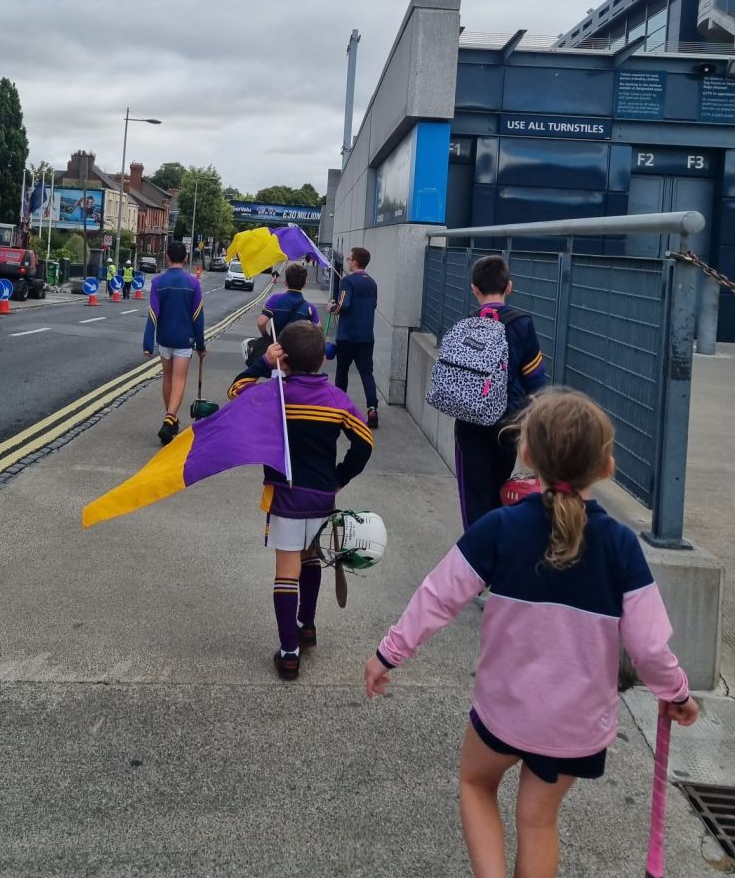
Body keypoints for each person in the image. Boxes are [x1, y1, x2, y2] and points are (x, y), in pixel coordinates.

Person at [364, 389, 698, 878]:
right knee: (538, 822)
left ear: (524, 454)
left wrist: (388, 655)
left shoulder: (499, 529)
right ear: (607, 467)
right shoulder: (622, 547)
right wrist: (678, 693)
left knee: (477, 784)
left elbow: (438, 596)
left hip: (505, 712)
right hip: (577, 728)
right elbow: (648, 647)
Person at [232, 321, 373, 681]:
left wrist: (263, 364)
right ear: (323, 362)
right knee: (311, 560)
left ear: (285, 360)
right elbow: (365, 443)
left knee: (286, 570)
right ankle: (306, 625)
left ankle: (289, 652)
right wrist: (340, 477)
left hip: (286, 496)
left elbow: (236, 391)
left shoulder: (274, 397)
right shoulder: (338, 401)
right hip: (322, 496)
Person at [454, 254, 546, 529]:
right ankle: (499, 550)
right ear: (509, 286)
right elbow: (536, 381)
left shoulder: (466, 324)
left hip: (470, 422)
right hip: (508, 423)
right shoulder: (522, 324)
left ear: (474, 289)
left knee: (474, 496)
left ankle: (476, 554)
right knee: (499, 490)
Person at [143, 240, 206, 444]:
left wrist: (147, 343)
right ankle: (170, 419)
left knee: (167, 378)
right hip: (184, 339)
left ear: (167, 257)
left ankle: (171, 418)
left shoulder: (157, 282)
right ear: (186, 258)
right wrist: (201, 345)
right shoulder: (193, 283)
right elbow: (198, 316)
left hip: (164, 338)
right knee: (179, 379)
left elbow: (153, 313)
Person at [328, 246, 379, 429]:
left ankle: (339, 408)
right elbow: (372, 306)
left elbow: (343, 306)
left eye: (349, 259)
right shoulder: (372, 283)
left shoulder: (347, 282)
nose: (348, 261)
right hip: (366, 336)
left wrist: (332, 308)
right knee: (367, 373)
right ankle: (372, 408)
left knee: (342, 372)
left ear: (356, 262)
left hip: (347, 336)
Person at [245, 264, 319, 371]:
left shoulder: (275, 300)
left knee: (277, 381)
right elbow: (318, 335)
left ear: (285, 282)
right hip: (298, 354)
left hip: (278, 351)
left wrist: (267, 337)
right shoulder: (310, 308)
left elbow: (261, 323)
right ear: (305, 283)